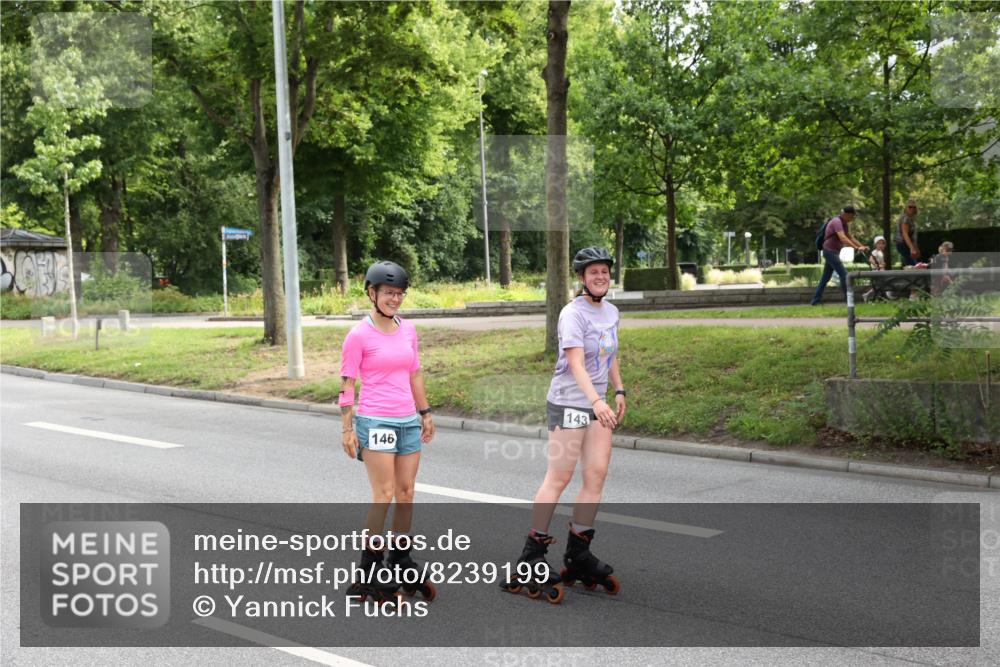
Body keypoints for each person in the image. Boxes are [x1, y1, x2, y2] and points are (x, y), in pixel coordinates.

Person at [501, 246, 625, 604]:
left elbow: (610, 353)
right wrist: (597, 401)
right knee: (559, 477)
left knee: (597, 475)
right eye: (593, 272)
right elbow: (577, 365)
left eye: (604, 271)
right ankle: (531, 555)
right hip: (570, 402)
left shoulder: (612, 312)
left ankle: (578, 553)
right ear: (582, 278)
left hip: (598, 403)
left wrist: (618, 390)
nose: (600, 276)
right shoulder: (572, 314)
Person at [339, 260, 437, 603]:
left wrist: (424, 413)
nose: (395, 299)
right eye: (388, 293)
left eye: (399, 293)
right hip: (375, 421)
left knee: (407, 492)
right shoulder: (358, 335)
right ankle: (369, 569)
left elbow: (414, 374)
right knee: (384, 494)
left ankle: (399, 558)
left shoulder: (408, 329)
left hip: (408, 420)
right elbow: (347, 385)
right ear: (372, 293)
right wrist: (348, 428)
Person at [810, 206, 868, 306]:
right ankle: (849, 301)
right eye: (852, 216)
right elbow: (843, 238)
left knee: (825, 278)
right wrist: (857, 248)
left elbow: (850, 237)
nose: (853, 219)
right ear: (847, 214)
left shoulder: (844, 223)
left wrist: (862, 246)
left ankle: (815, 301)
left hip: (833, 252)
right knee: (845, 275)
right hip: (830, 251)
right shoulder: (836, 221)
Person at [862, 235, 888, 303]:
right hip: (876, 271)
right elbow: (871, 259)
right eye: (879, 243)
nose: (881, 245)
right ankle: (875, 296)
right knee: (879, 285)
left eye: (882, 243)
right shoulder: (875, 252)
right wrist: (877, 266)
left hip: (881, 270)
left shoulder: (881, 252)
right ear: (875, 244)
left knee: (879, 285)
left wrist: (883, 264)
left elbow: (881, 261)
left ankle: (868, 295)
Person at [895, 199, 920, 268]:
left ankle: (908, 278)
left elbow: (913, 237)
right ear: (906, 208)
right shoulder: (905, 218)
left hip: (907, 245)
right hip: (903, 244)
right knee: (913, 265)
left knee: (911, 264)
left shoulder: (911, 219)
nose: (912, 209)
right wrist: (912, 248)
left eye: (914, 207)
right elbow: (905, 234)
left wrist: (915, 248)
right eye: (910, 207)